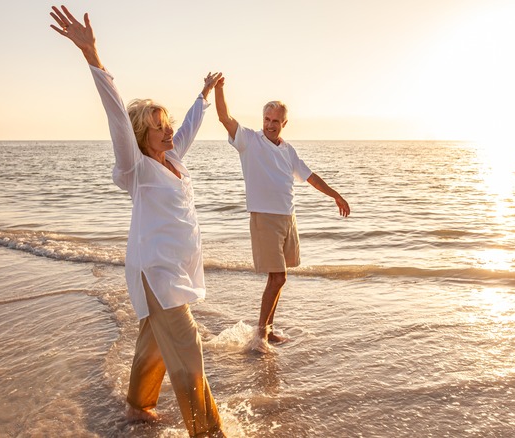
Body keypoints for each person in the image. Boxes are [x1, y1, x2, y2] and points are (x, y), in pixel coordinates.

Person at [49, 6, 225, 437]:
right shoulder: (137, 170)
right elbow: (115, 117)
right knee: (188, 346)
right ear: (141, 136)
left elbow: (189, 126)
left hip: (175, 269)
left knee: (155, 345)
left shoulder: (173, 159)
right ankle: (209, 432)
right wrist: (93, 56)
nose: (167, 133)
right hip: (157, 272)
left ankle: (137, 406)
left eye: (166, 126)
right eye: (157, 128)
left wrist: (203, 96)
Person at [213, 76, 350, 351]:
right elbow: (224, 117)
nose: (270, 125)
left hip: (288, 218)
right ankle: (261, 335)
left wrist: (335, 194)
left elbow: (310, 177)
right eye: (267, 119)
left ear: (283, 123)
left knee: (279, 277)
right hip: (264, 217)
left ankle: (267, 330)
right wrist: (219, 89)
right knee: (278, 277)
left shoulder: (288, 150)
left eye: (275, 121)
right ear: (262, 119)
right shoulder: (249, 141)